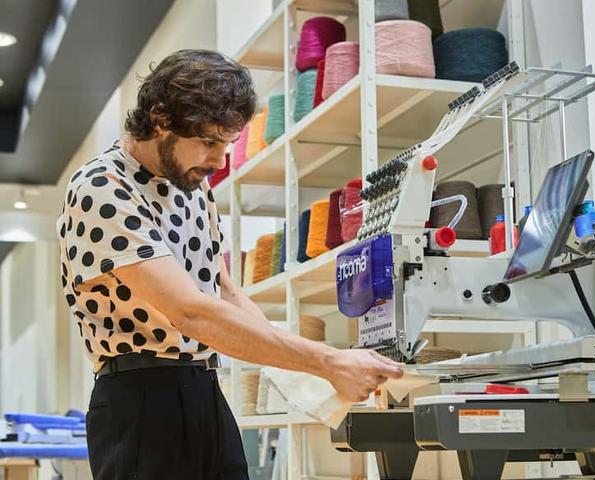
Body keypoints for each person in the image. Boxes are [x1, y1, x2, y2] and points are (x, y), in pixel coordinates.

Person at [56, 49, 402, 480]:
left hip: (204, 390)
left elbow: (223, 292)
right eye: (208, 142)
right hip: (139, 401)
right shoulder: (102, 189)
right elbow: (191, 311)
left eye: (227, 144)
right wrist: (327, 362)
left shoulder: (192, 187)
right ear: (161, 119)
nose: (219, 161)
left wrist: (302, 374)